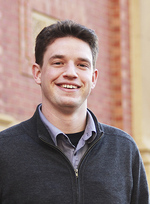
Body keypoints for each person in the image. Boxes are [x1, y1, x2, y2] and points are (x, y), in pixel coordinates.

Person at [0, 20, 149, 204]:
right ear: (38, 73)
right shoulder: (4, 150)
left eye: (82, 65)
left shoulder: (124, 149)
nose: (71, 73)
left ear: (93, 78)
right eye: (58, 62)